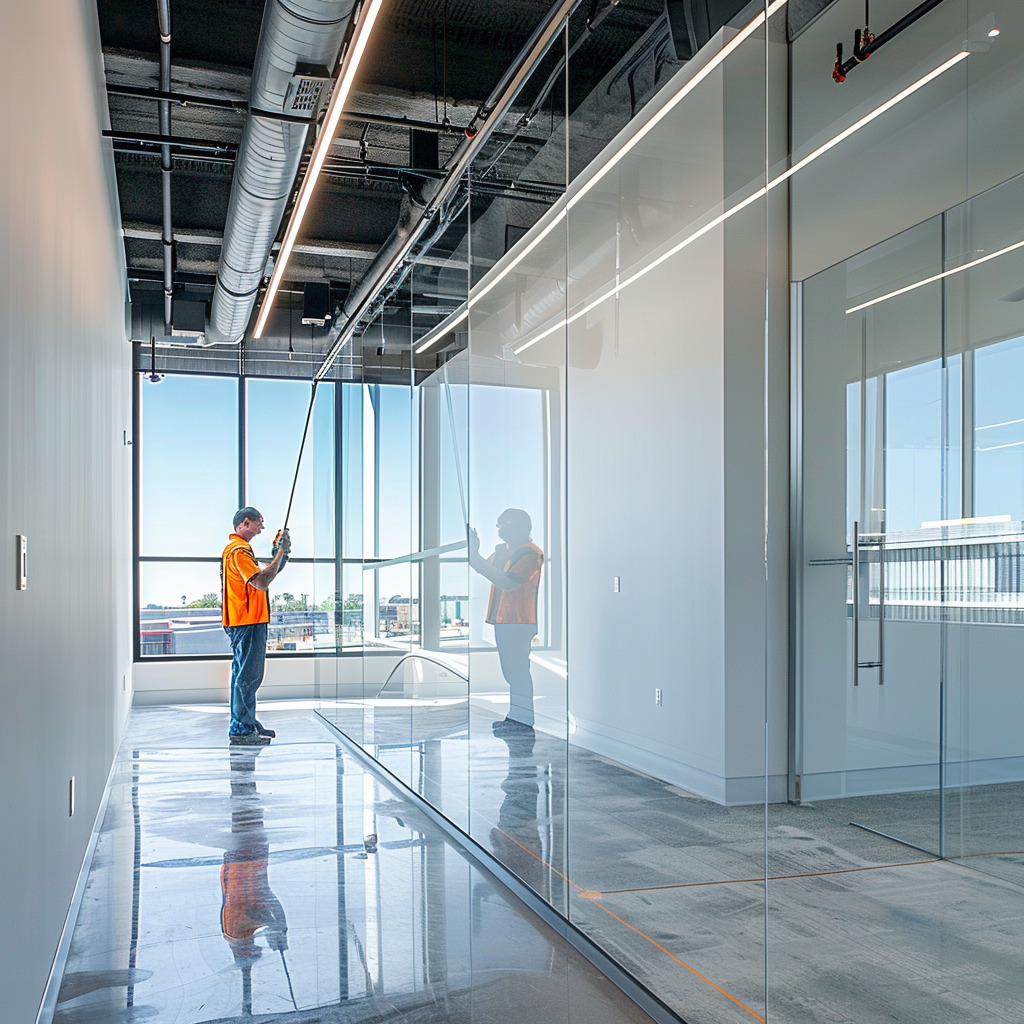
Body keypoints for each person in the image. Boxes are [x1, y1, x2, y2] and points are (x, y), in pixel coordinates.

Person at [221, 507, 290, 745]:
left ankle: (246, 723)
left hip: (247, 620)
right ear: (246, 522)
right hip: (247, 621)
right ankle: (241, 729)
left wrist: (280, 554)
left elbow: (264, 576)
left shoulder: (240, 550)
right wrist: (280, 553)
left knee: (245, 676)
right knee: (247, 677)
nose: (262, 527)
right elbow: (261, 582)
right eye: (260, 523)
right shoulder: (238, 551)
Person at [468, 509, 543, 727]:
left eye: (506, 523)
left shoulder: (530, 553)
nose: (501, 529)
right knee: (512, 672)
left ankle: (522, 718)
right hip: (505, 620)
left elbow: (507, 582)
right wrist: (475, 553)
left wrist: (475, 556)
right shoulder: (506, 552)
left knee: (517, 671)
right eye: (499, 524)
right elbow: (485, 568)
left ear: (523, 526)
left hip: (519, 620)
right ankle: (517, 716)